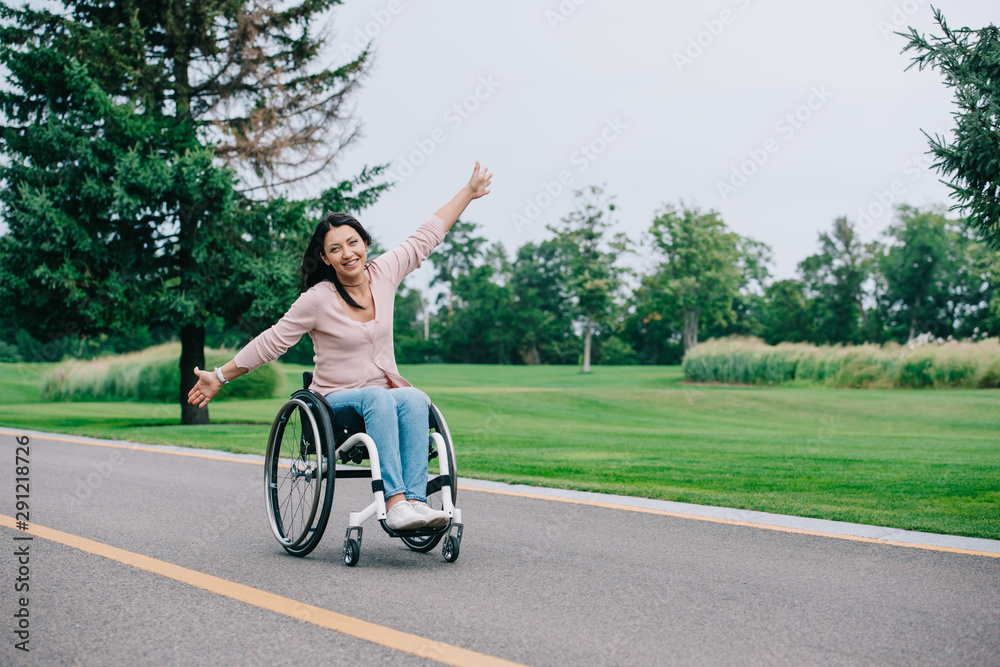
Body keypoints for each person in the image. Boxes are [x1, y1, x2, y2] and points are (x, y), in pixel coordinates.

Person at [187, 161, 493, 531]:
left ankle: (414, 502)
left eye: (353, 243)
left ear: (365, 243)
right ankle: (394, 503)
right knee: (377, 398)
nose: (348, 253)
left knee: (414, 397)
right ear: (325, 258)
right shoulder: (317, 300)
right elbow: (272, 341)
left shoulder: (384, 274)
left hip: (386, 397)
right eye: (336, 248)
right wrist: (220, 375)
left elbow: (427, 235)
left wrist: (469, 193)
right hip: (336, 404)